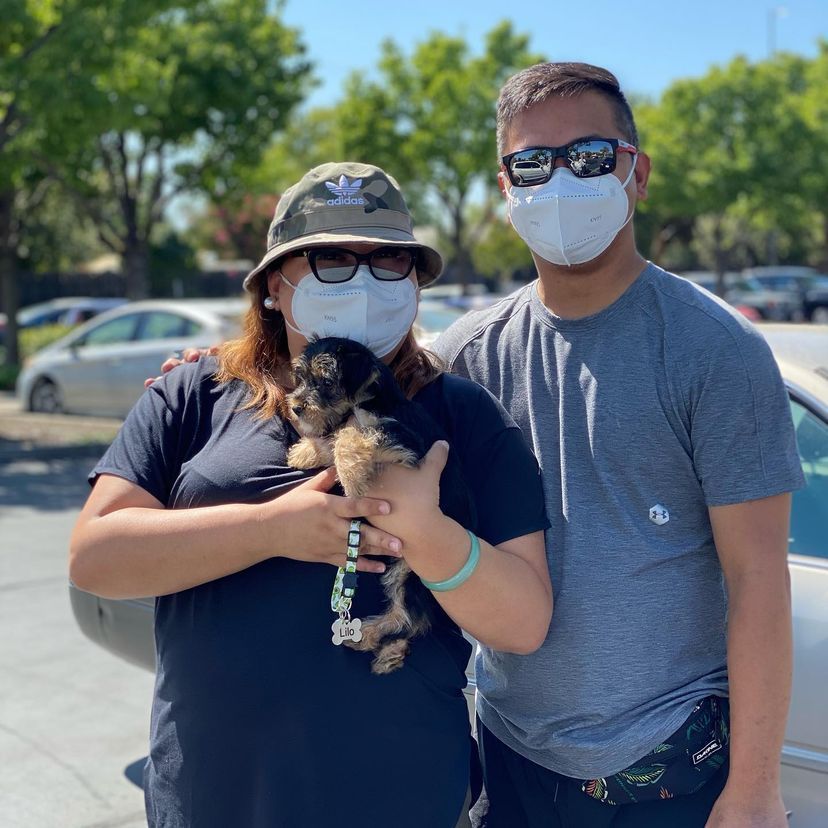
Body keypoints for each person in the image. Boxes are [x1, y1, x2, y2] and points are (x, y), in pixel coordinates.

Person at [69, 162, 553, 828]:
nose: (362, 280)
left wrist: (426, 528)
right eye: (330, 260)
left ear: (414, 284)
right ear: (276, 283)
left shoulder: (464, 415)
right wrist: (272, 529)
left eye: (388, 262)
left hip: (401, 800)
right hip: (212, 801)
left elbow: (525, 621)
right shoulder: (193, 395)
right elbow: (96, 558)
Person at [431, 62, 804, 827]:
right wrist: (221, 375)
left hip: (668, 776)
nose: (561, 181)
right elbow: (350, 420)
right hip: (511, 760)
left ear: (637, 175)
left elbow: (760, 581)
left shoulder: (716, 350)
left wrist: (757, 790)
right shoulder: (468, 353)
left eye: (591, 157)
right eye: (532, 162)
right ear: (506, 190)